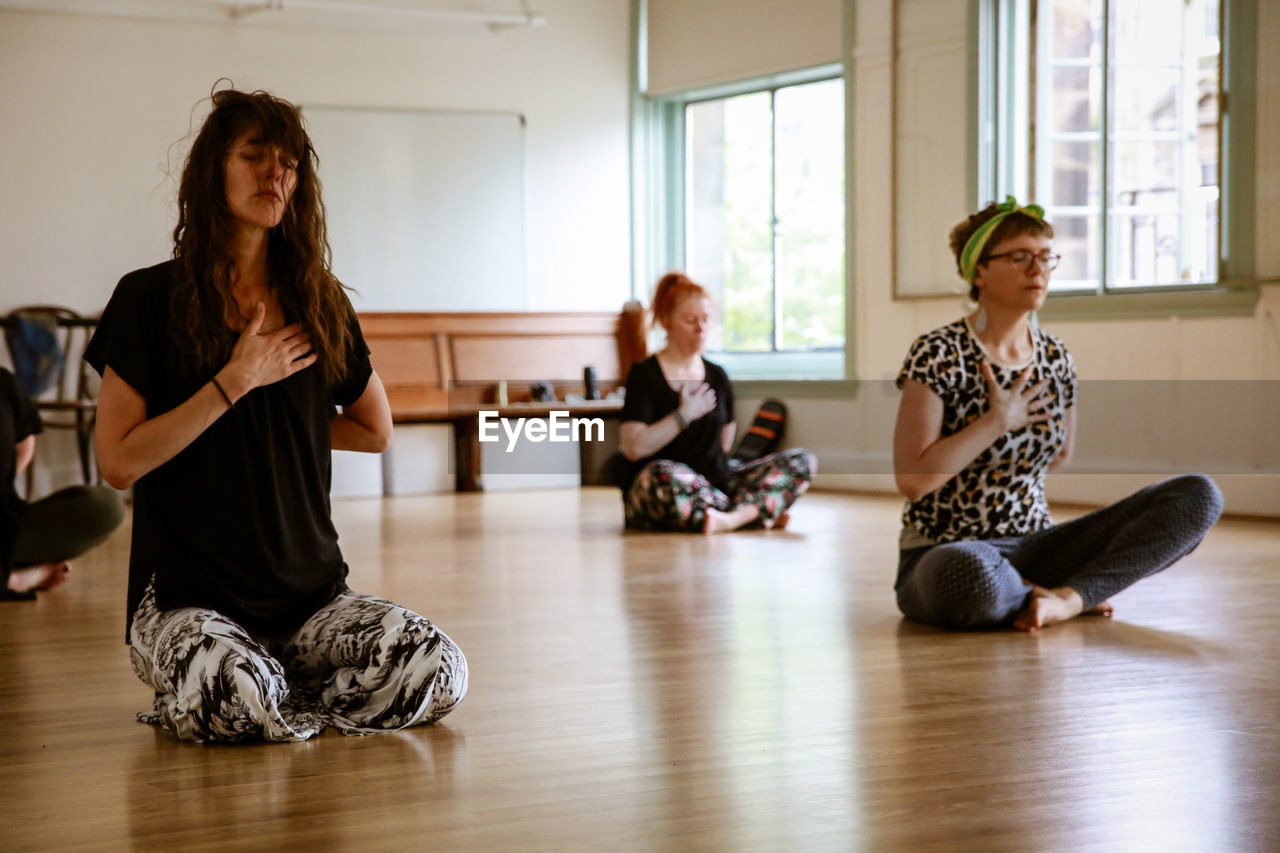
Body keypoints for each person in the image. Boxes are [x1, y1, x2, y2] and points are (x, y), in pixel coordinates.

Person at [84, 85, 467, 743]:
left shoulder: (318, 302)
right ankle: (255, 691)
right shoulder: (149, 297)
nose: (274, 173)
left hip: (309, 600)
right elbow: (117, 462)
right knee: (233, 687)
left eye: (288, 161)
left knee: (439, 667)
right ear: (214, 170)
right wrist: (235, 382)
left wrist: (266, 419)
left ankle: (279, 699)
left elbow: (375, 430)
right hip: (185, 601)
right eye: (254, 154)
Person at [892, 196, 1223, 631]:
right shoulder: (936, 351)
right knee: (962, 574)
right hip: (947, 550)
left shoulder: (1055, 357)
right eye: (1021, 258)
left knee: (1197, 495)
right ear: (979, 272)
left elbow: (1060, 455)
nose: (1038, 270)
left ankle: (1067, 596)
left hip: (1036, 545)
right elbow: (913, 481)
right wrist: (997, 421)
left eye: (1047, 258)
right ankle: (1035, 594)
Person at [617, 272, 816, 534]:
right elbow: (633, 448)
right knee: (660, 475)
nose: (701, 328)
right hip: (663, 490)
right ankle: (753, 513)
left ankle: (731, 518)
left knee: (802, 461)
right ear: (666, 322)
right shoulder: (644, 374)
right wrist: (683, 416)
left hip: (714, 485)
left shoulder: (717, 376)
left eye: (706, 319)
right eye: (690, 321)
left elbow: (723, 445)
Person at [1, 367, 123, 600]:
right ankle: (12, 579)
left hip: (7, 520)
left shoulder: (4, 382)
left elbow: (25, 442)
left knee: (106, 505)